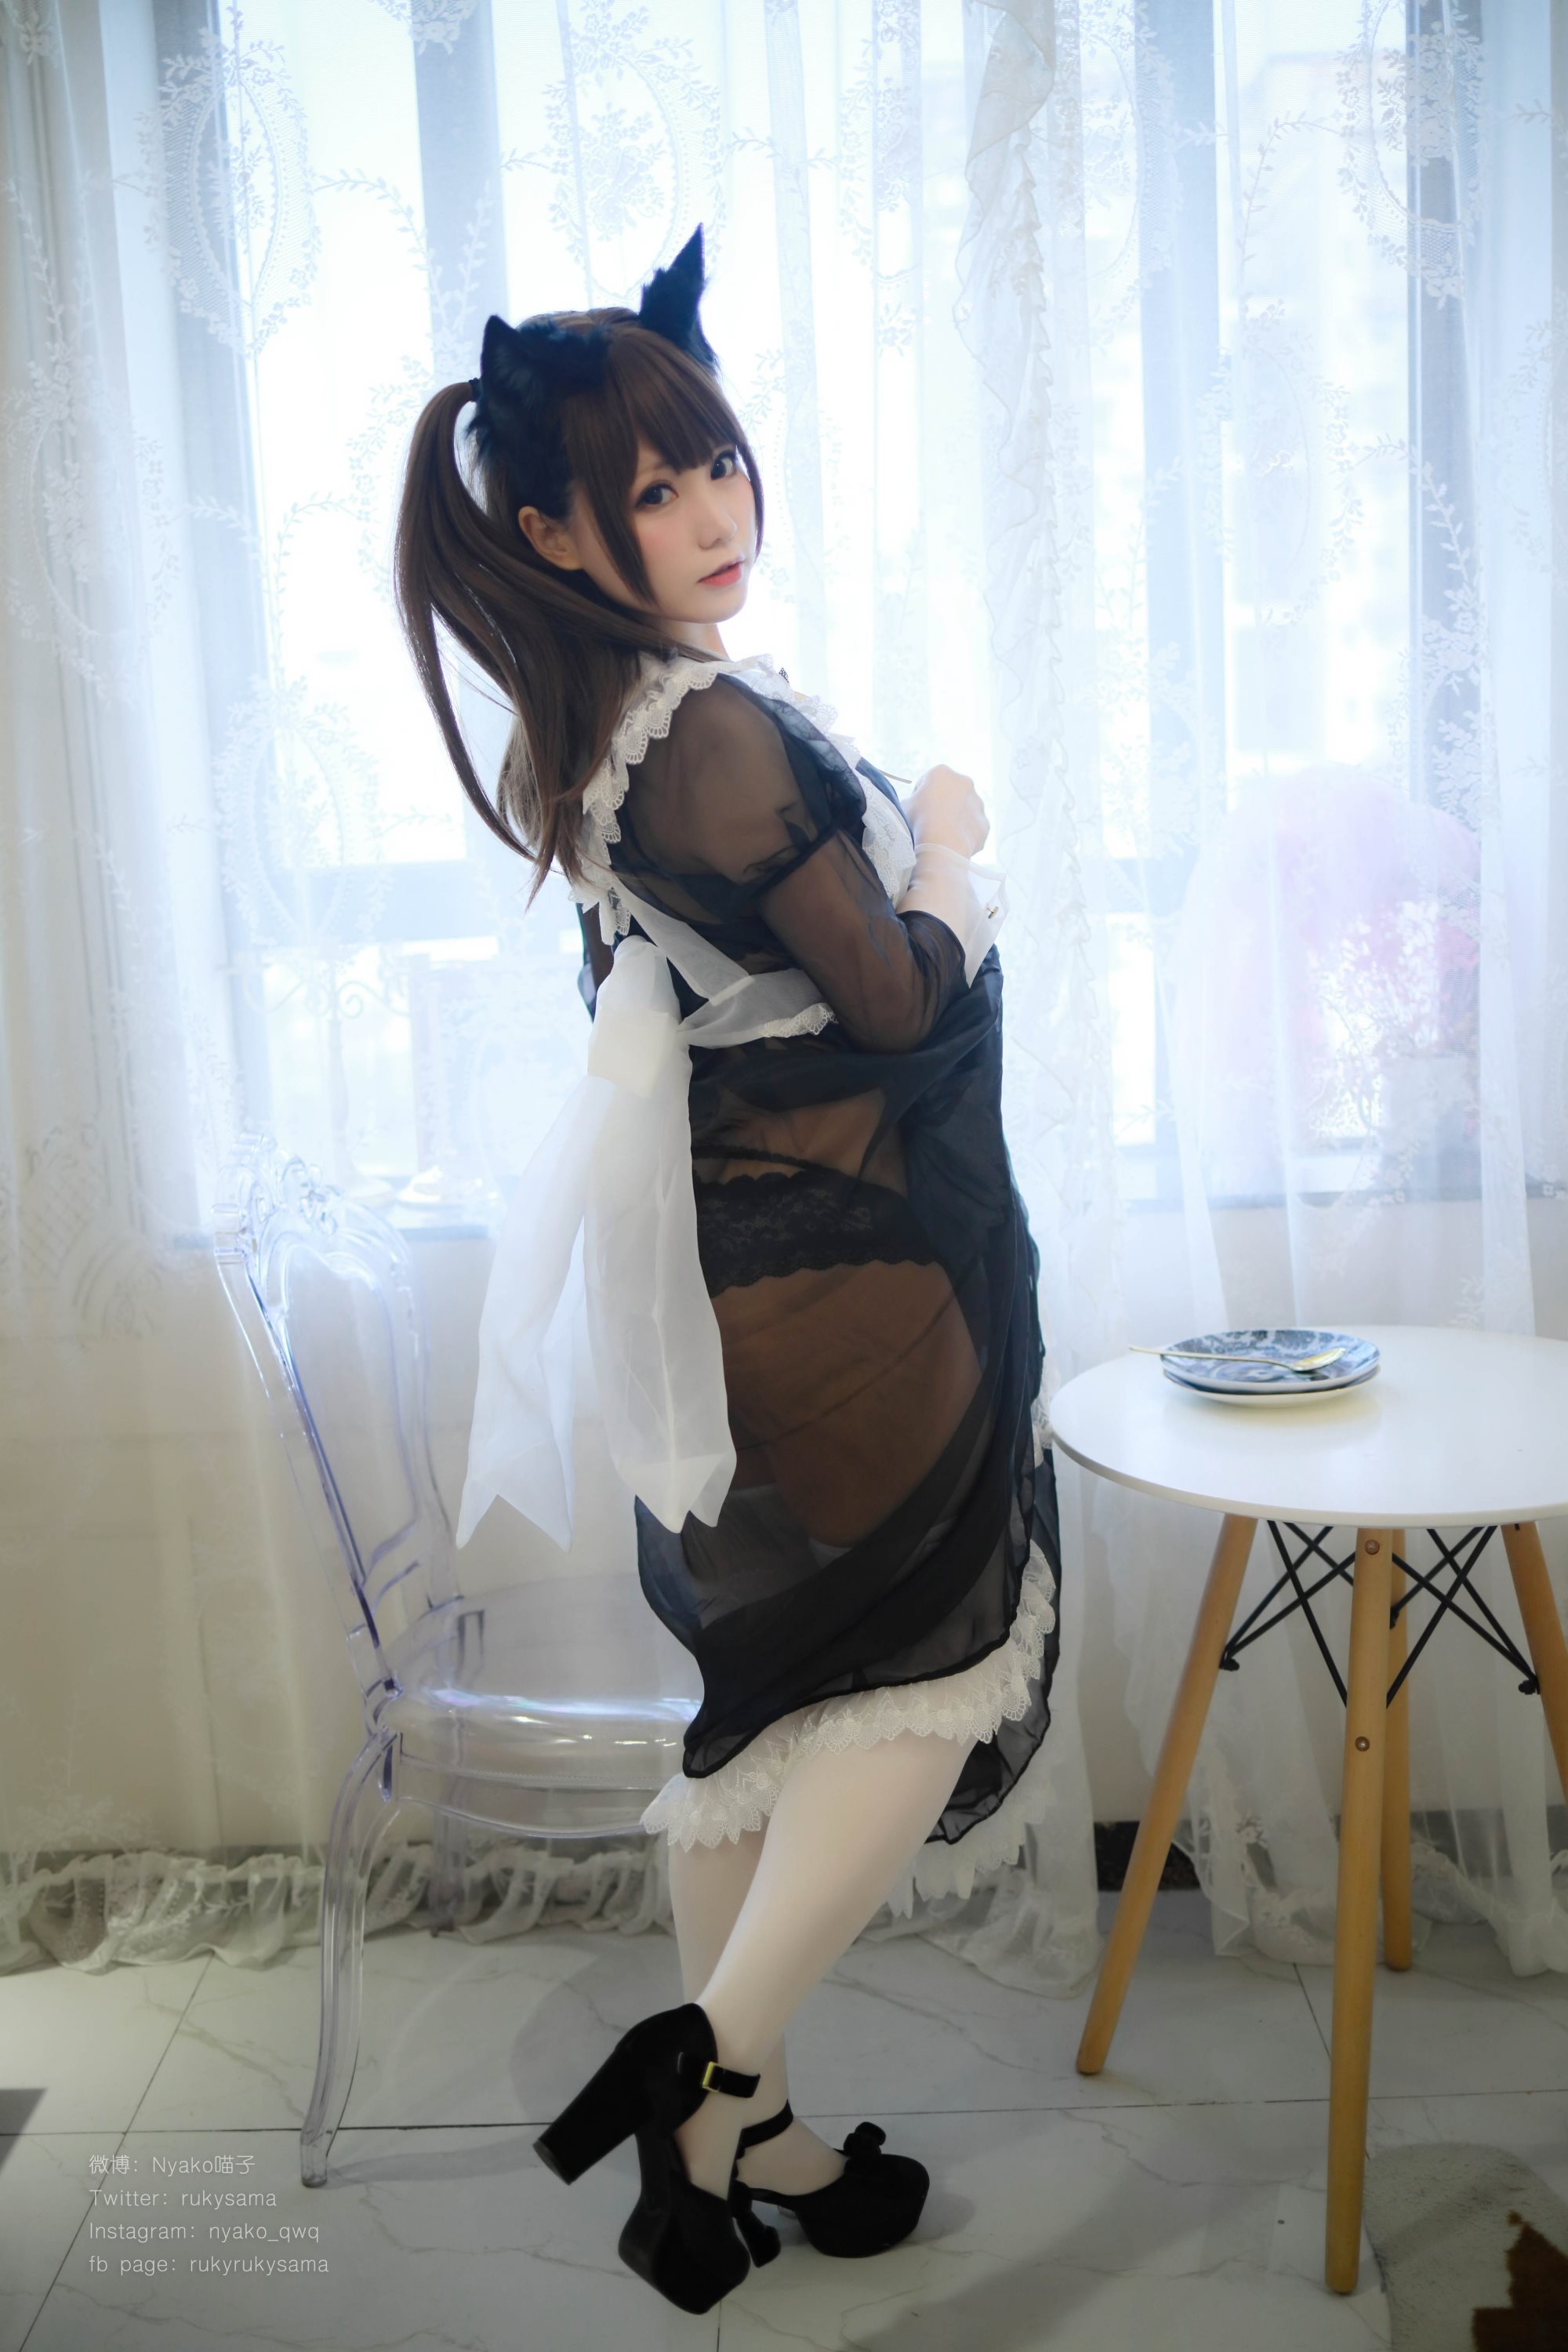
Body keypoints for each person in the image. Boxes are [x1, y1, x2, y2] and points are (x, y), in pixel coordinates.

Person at [394, 226, 1062, 2316]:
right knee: (921, 1676)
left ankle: (754, 2136)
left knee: (766, 1708)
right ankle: (703, 2083)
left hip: (730, 1283)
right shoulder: (705, 729)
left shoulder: (596, 726)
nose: (715, 513)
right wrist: (949, 846)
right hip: (849, 1285)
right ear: (549, 531)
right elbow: (893, 999)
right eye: (656, 487)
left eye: (718, 462)